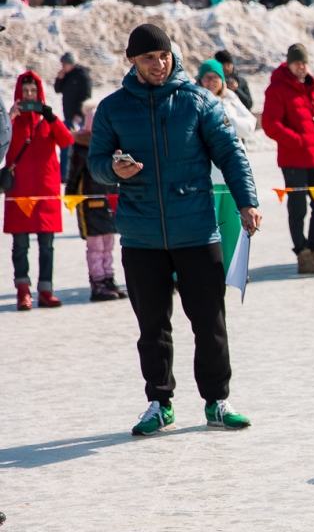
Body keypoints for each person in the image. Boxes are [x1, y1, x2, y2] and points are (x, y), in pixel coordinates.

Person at [87, 23, 260, 435]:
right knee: (152, 326)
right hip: (142, 236)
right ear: (133, 61)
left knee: (209, 322)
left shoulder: (197, 101)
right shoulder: (113, 108)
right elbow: (94, 162)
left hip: (198, 231)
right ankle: (159, 402)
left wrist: (247, 201)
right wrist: (113, 168)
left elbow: (231, 153)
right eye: (149, 58)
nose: (158, 64)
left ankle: (217, 401)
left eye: (164, 56)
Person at [262, 43, 314, 275]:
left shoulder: (309, 86)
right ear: (289, 64)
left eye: (304, 62)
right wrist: (297, 141)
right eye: (296, 62)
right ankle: (302, 254)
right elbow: (270, 124)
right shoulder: (278, 88)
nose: (301, 66)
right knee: (298, 208)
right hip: (294, 160)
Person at [5, 71, 72, 310]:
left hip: (46, 192)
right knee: (20, 245)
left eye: (33, 92)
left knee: (47, 245)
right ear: (18, 94)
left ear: (40, 94)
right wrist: (11, 118)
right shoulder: (10, 120)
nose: (30, 96)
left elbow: (67, 142)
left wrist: (52, 117)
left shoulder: (48, 121)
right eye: (25, 92)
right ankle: (23, 292)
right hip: (20, 191)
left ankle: (45, 290)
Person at [64, 100, 124, 300]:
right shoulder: (82, 147)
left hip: (109, 200)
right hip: (90, 202)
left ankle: (108, 278)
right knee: (96, 246)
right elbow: (73, 174)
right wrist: (70, 196)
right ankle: (97, 282)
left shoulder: (112, 147)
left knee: (108, 244)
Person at [53, 51, 91, 182]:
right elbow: (57, 90)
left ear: (71, 63)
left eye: (65, 64)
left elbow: (86, 96)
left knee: (80, 147)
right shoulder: (66, 76)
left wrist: (80, 114)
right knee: (65, 146)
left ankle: (81, 175)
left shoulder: (82, 75)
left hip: (79, 118)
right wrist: (59, 78)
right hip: (68, 117)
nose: (63, 67)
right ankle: (64, 176)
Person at [198, 59, 255, 141]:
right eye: (207, 78)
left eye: (215, 77)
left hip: (234, 150)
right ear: (200, 80)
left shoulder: (229, 96)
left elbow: (250, 126)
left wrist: (227, 121)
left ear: (222, 80)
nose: (211, 82)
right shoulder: (194, 100)